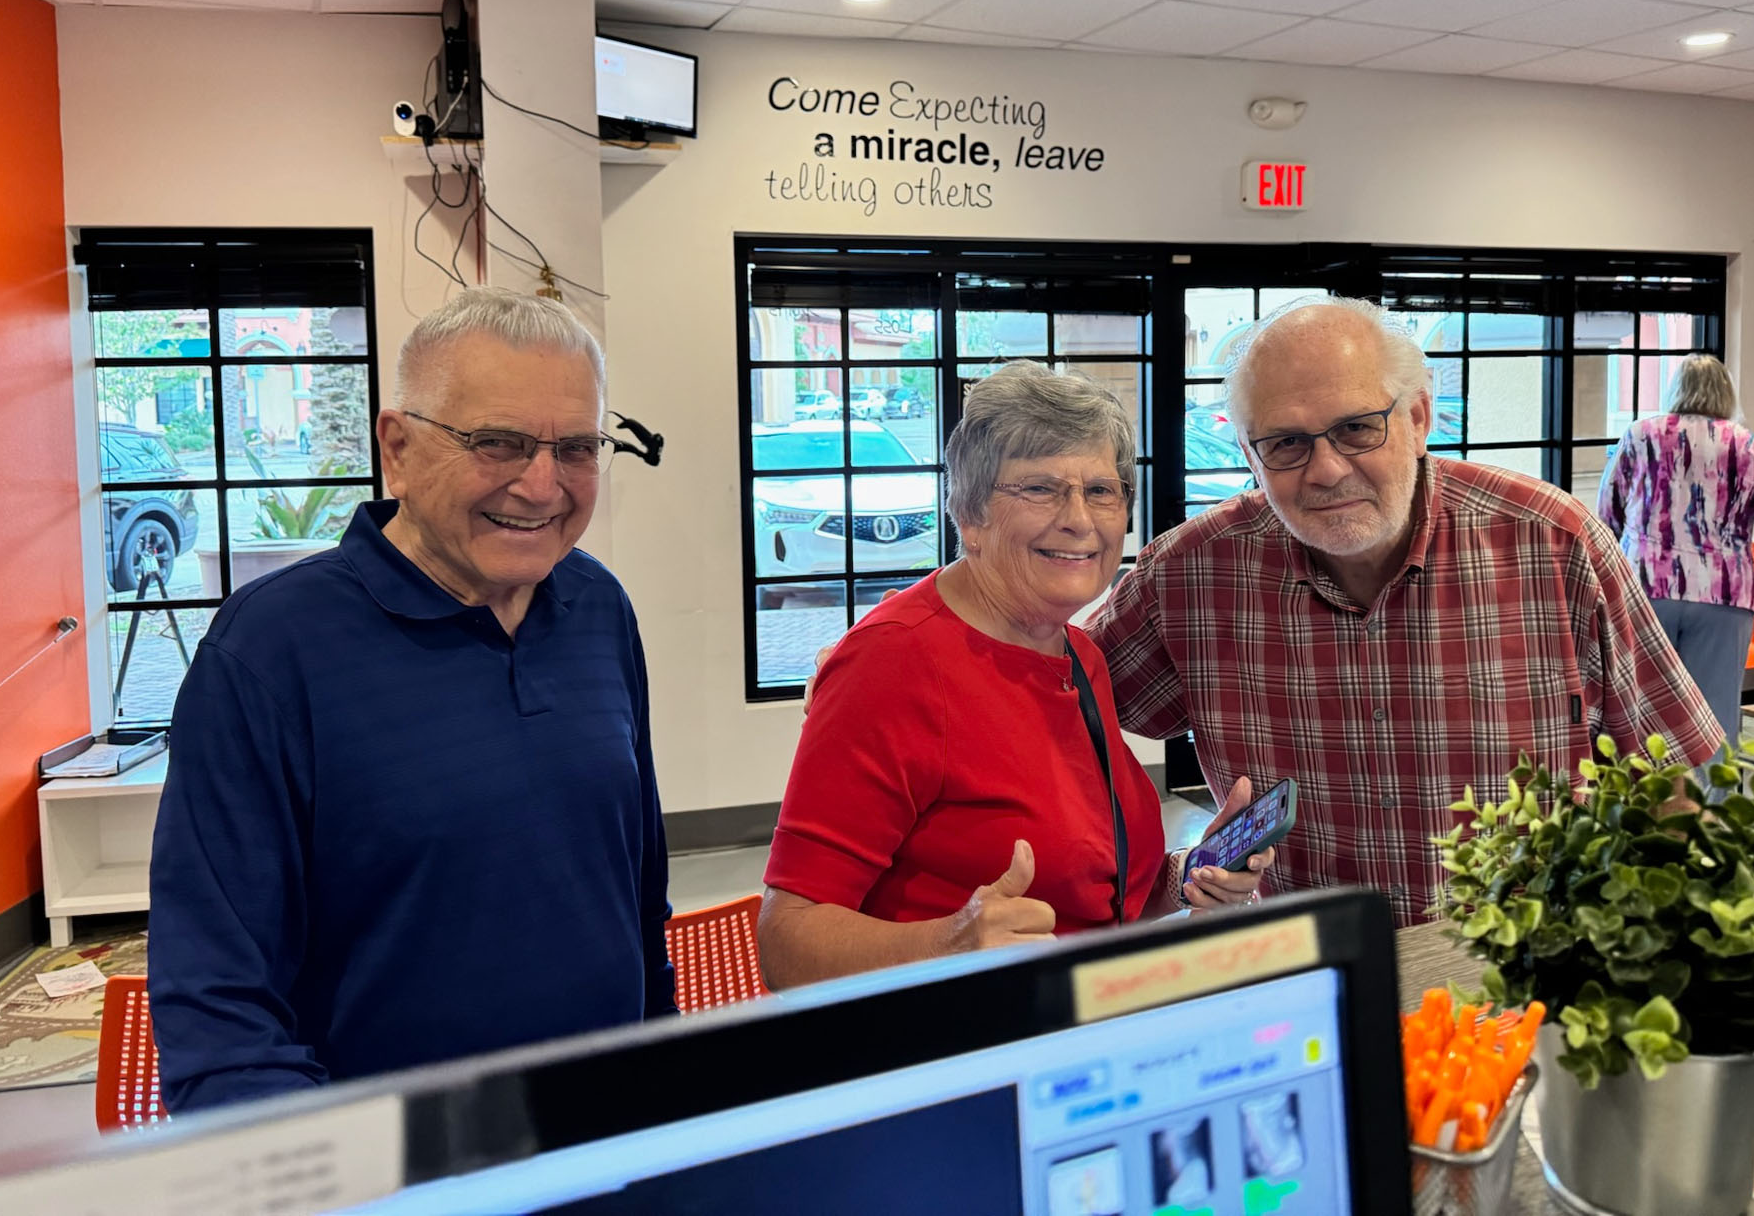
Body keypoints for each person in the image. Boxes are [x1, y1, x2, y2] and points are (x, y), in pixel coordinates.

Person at [149, 287, 674, 1112]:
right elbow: (218, 1011)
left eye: (576, 447)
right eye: (496, 443)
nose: (542, 487)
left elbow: (638, 900)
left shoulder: (600, 609)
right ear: (397, 447)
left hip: (604, 1146)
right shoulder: (269, 652)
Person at [1091, 299, 1723, 927]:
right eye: (1285, 443)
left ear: (1419, 416)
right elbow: (1049, 716)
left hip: (1526, 976)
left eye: (1358, 428)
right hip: (1321, 979)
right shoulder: (1191, 575)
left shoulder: (1555, 547)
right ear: (1250, 454)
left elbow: (1669, 782)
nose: (1328, 470)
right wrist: (1164, 876)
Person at [759, 363, 1267, 989]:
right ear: (968, 515)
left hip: (1075, 1023)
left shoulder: (1078, 654)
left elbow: (1092, 894)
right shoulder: (891, 664)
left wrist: (1188, 875)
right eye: (1039, 489)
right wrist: (952, 941)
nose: (1080, 519)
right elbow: (786, 943)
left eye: (1102, 491)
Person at [1595, 354, 1754, 743]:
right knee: (1712, 716)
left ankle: (1642, 801)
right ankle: (1712, 802)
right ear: (1727, 393)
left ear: (1676, 391)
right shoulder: (1752, 447)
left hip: (1645, 591)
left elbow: (1608, 513)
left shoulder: (1640, 436)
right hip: (1724, 596)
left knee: (1640, 710)